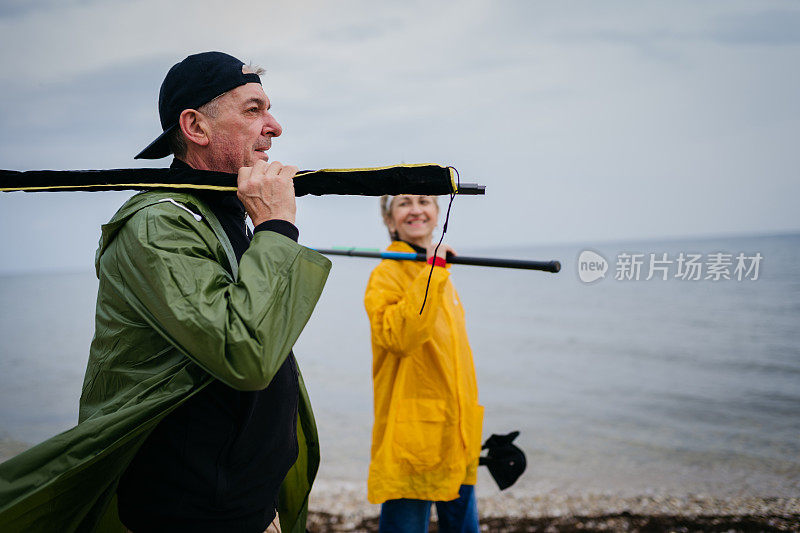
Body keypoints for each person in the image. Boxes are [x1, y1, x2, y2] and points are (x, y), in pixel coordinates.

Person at [0, 51, 330, 533]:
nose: (275, 126)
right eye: (253, 109)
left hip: (251, 506)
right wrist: (277, 227)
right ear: (195, 126)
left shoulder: (227, 211)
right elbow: (245, 353)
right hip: (189, 514)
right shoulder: (160, 223)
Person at [364, 194, 484, 533]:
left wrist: (435, 269)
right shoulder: (386, 275)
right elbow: (401, 337)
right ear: (390, 221)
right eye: (403, 204)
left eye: (424, 201)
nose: (416, 209)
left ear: (437, 213)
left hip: (456, 433)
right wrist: (433, 271)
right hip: (412, 436)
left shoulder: (438, 273)